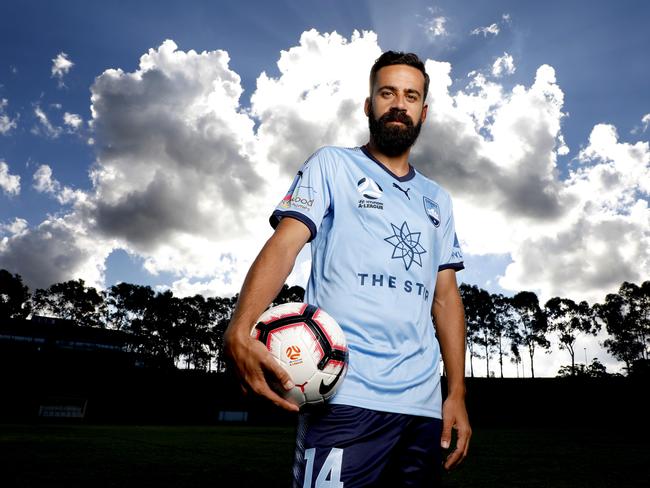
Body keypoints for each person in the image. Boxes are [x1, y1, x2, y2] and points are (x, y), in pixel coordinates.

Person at [224, 51, 471, 487]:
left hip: (422, 409)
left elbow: (446, 298)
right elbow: (285, 245)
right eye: (387, 92)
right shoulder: (332, 165)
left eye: (411, 95)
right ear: (368, 104)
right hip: (343, 396)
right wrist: (240, 328)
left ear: (424, 112)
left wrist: (456, 393)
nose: (399, 103)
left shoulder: (439, 200)